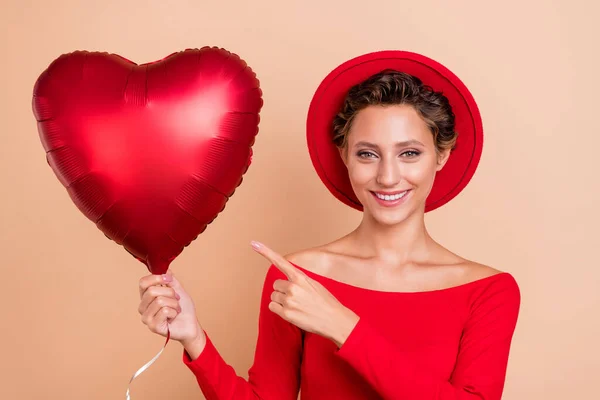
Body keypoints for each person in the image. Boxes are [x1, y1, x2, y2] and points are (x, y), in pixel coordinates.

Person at [137, 51, 521, 400]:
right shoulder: (298, 277)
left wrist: (344, 327)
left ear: (441, 155)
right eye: (367, 154)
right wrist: (193, 337)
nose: (388, 177)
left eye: (409, 153)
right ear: (345, 156)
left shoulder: (488, 292)